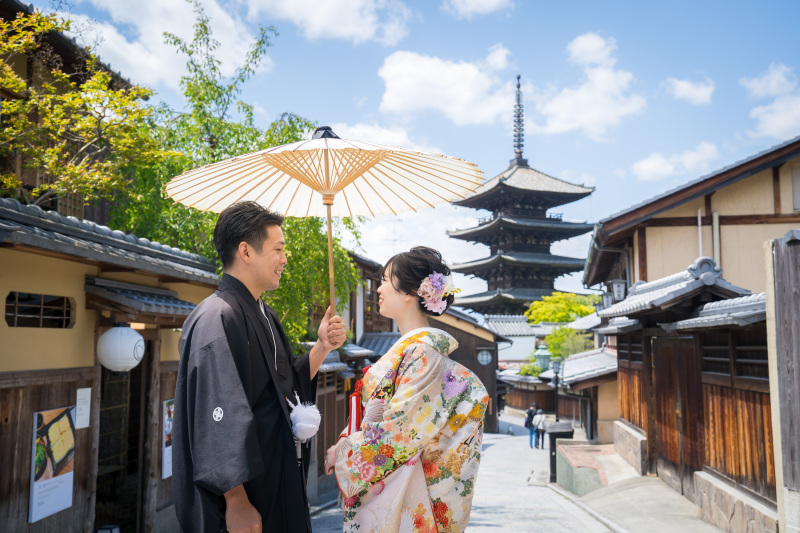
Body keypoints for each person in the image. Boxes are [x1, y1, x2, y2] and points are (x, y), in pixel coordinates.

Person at [173, 202, 347, 533]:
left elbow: (287, 387)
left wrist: (323, 346)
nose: (284, 259)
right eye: (278, 249)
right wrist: (235, 499)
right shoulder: (217, 317)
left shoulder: (264, 314)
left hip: (276, 476)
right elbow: (215, 412)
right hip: (244, 498)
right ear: (246, 251)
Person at [325, 246, 489, 533]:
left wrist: (344, 452)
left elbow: (400, 432)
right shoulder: (414, 353)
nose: (378, 288)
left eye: (386, 280)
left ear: (409, 292)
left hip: (407, 494)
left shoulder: (423, 357)